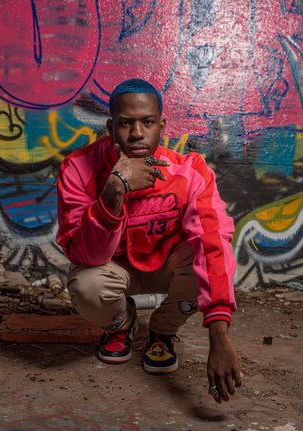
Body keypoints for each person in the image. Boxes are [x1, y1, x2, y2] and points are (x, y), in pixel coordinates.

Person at [56, 78, 241, 404]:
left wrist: (219, 332)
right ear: (112, 126)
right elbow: (86, 254)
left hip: (167, 269)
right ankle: (120, 324)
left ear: (162, 126)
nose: (137, 133)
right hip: (112, 269)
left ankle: (162, 332)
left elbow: (212, 242)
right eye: (126, 123)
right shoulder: (77, 169)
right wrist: (114, 190)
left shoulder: (190, 171)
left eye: (148, 122)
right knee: (86, 285)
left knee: (208, 264)